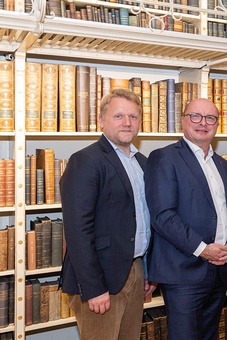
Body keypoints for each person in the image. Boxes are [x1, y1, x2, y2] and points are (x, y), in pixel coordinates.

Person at [60, 88, 156, 339]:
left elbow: (144, 221)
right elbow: (77, 230)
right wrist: (93, 288)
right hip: (101, 278)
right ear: (101, 120)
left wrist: (147, 271)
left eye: (133, 117)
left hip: (135, 271)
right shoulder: (85, 160)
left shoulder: (143, 163)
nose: (127, 122)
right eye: (119, 116)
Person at [145, 98, 227, 339]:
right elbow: (163, 216)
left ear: (218, 124)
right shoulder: (164, 157)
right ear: (183, 120)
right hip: (183, 272)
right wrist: (203, 249)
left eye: (210, 118)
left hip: (219, 269)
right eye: (195, 116)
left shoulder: (221, 164)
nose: (203, 123)